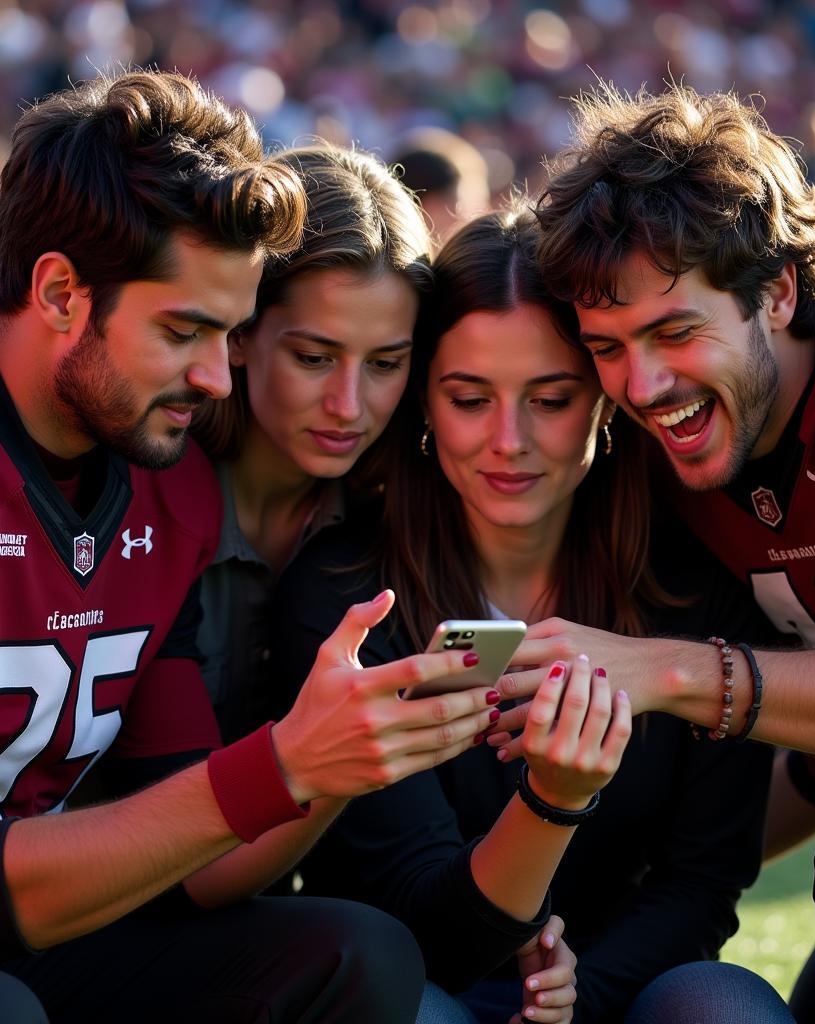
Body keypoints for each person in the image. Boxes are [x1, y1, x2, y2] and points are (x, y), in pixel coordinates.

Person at [0, 69, 501, 1023]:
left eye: (230, 332)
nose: (218, 376)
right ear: (59, 290)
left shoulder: (155, 476)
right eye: (186, 330)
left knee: (353, 954)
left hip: (18, 928)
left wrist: (335, 759)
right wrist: (287, 765)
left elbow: (182, 838)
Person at [267, 206, 784, 1024]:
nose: (509, 441)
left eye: (550, 399)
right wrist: (552, 800)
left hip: (618, 987)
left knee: (724, 1008)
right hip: (420, 984)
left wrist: (580, 995)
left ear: (607, 402)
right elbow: (416, 918)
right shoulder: (349, 603)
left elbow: (702, 887)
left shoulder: (693, 591)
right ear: (424, 407)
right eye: (470, 399)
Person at [531, 81, 815, 1023]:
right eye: (607, 347)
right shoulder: (686, 453)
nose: (644, 383)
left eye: (673, 331)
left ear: (777, 290)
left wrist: (668, 671)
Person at [190, 142, 434, 740]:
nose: (348, 406)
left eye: (384, 364)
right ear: (239, 333)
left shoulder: (409, 513)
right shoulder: (137, 496)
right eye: (314, 357)